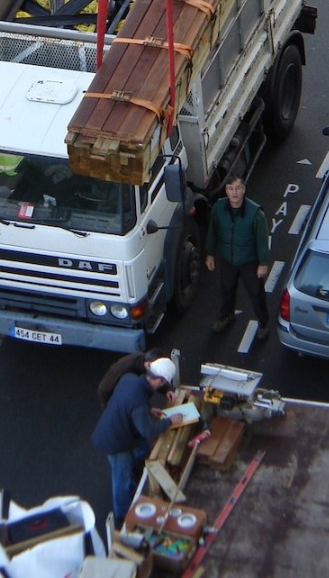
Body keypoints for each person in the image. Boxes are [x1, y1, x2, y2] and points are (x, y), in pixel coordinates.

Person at [92, 357, 183, 525]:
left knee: (141, 449)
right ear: (159, 380)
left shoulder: (129, 379)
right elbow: (147, 430)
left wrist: (149, 410)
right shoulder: (139, 403)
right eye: (163, 383)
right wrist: (170, 421)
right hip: (116, 443)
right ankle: (123, 517)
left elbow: (129, 404)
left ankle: (139, 469)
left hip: (114, 429)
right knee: (122, 481)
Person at [205, 176, 270, 339]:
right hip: (228, 258)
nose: (234, 192)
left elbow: (262, 239)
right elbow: (212, 231)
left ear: (243, 190)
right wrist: (210, 253)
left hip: (249, 261)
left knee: (256, 293)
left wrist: (263, 263)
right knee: (227, 289)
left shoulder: (256, 213)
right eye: (230, 188)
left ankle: (263, 323)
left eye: (237, 188)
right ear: (226, 190)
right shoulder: (218, 208)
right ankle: (227, 315)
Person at [97, 348, 175, 409]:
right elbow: (103, 390)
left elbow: (156, 377)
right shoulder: (123, 369)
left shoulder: (148, 363)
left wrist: (167, 390)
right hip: (114, 397)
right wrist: (108, 408)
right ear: (149, 364)